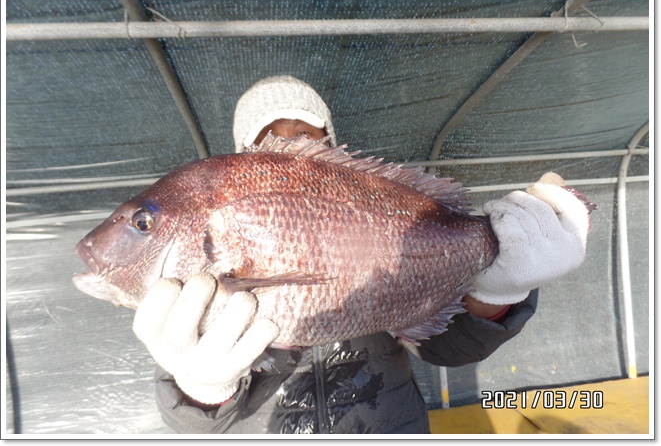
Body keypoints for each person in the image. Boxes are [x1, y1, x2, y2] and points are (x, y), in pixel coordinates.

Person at [132, 76, 590, 434]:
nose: (290, 145)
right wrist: (200, 389)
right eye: (269, 138)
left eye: (304, 133)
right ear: (245, 161)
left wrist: (499, 293)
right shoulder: (188, 285)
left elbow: (448, 348)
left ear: (329, 146)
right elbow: (196, 422)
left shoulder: (382, 207)